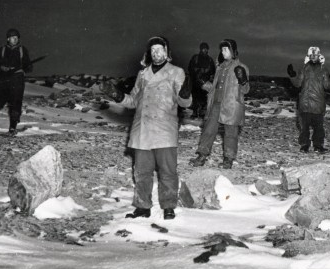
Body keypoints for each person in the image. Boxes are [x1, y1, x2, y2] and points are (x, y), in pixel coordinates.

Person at [101, 36, 192, 220]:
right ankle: (142, 206)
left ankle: (168, 206)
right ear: (149, 53)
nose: (156, 53)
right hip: (142, 130)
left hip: (164, 130)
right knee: (142, 172)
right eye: (153, 50)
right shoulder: (143, 74)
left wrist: (185, 93)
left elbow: (185, 102)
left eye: (160, 49)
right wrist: (117, 95)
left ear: (167, 52)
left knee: (168, 172)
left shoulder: (176, 72)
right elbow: (134, 101)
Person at [189, 39, 249, 169]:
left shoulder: (242, 68)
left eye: (226, 49)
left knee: (230, 133)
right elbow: (216, 88)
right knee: (208, 130)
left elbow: (246, 90)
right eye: (222, 50)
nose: (223, 52)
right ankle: (201, 156)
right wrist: (204, 84)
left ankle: (228, 159)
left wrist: (243, 81)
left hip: (232, 105)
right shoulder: (220, 68)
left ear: (233, 51)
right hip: (216, 104)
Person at [0, 28, 33, 135]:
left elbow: (29, 68)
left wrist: (22, 68)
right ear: (8, 39)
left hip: (17, 81)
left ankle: (12, 127)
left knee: (15, 103)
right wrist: (1, 69)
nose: (15, 39)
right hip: (3, 80)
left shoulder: (23, 50)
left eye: (16, 38)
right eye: (13, 37)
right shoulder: (2, 50)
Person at [287, 46, 330, 153]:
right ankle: (304, 145)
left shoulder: (324, 70)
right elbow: (297, 84)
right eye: (311, 55)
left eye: (315, 55)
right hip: (305, 103)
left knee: (319, 128)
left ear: (319, 56)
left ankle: (318, 145)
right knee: (304, 128)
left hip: (318, 104)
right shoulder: (304, 69)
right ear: (308, 56)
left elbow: (327, 85)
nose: (313, 57)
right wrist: (292, 75)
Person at [187, 42, 216, 119]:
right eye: (203, 48)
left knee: (204, 98)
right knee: (195, 98)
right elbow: (190, 68)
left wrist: (209, 79)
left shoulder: (210, 60)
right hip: (196, 82)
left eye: (206, 49)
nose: (205, 50)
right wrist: (197, 76)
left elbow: (213, 71)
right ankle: (195, 112)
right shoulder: (195, 58)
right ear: (200, 49)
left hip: (205, 83)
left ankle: (203, 113)